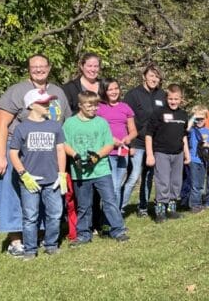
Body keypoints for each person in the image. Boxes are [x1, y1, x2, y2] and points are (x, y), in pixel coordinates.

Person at [0, 54, 70, 256]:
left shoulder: (57, 92)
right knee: (15, 194)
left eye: (42, 66)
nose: (38, 70)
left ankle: (42, 236)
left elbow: (67, 123)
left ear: (49, 67)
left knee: (46, 193)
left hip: (49, 149)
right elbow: (1, 124)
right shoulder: (17, 91)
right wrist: (1, 156)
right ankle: (16, 240)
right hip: (19, 149)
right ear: (28, 69)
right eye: (34, 66)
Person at [7, 89, 67, 258]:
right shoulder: (21, 128)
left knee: (55, 214)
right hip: (30, 181)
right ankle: (30, 250)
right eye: (43, 103)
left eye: (48, 101)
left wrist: (61, 174)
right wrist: (23, 174)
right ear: (32, 105)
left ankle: (51, 245)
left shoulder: (55, 126)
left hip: (52, 179)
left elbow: (61, 150)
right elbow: (13, 153)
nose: (48, 105)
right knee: (30, 216)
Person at [63, 91, 128, 243]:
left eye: (96, 105)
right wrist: (75, 156)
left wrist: (97, 156)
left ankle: (117, 230)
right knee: (84, 205)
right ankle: (84, 234)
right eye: (89, 105)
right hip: (80, 173)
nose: (94, 108)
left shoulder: (101, 122)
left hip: (101, 170)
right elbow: (64, 144)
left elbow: (109, 144)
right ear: (80, 105)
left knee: (110, 201)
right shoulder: (70, 123)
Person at [123, 65, 164, 217]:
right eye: (151, 76)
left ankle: (143, 207)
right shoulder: (133, 95)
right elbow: (126, 120)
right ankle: (119, 209)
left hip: (154, 144)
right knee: (133, 176)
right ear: (144, 76)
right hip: (138, 143)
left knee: (148, 177)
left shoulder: (162, 95)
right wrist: (131, 144)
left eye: (157, 77)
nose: (154, 79)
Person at [144, 83, 189, 222]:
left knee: (176, 182)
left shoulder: (183, 114)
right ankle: (160, 211)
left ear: (181, 99)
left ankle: (171, 209)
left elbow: (184, 136)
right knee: (163, 182)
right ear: (166, 98)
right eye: (171, 99)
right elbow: (149, 134)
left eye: (176, 99)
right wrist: (150, 154)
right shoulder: (159, 113)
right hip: (161, 153)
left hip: (178, 153)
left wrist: (187, 153)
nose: (173, 101)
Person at [96, 79, 136, 214]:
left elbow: (133, 131)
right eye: (110, 89)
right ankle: (109, 219)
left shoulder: (125, 107)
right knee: (112, 187)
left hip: (123, 152)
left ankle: (116, 216)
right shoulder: (100, 108)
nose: (114, 92)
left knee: (117, 186)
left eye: (116, 88)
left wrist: (127, 138)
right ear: (104, 91)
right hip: (108, 153)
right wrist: (110, 140)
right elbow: (97, 131)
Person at [182, 107, 209, 213]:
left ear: (206, 119)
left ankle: (198, 203)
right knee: (195, 184)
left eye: (202, 119)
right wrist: (194, 117)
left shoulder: (207, 131)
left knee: (200, 184)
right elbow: (186, 128)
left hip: (203, 161)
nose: (199, 121)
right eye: (197, 119)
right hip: (193, 160)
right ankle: (194, 205)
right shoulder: (192, 130)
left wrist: (207, 145)